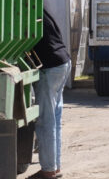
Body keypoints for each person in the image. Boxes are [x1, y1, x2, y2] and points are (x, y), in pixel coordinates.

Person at [30, 10, 71, 179]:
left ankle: (48, 171)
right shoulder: (39, 4)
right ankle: (54, 168)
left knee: (45, 121)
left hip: (50, 66)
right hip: (62, 61)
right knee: (54, 119)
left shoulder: (26, 6)